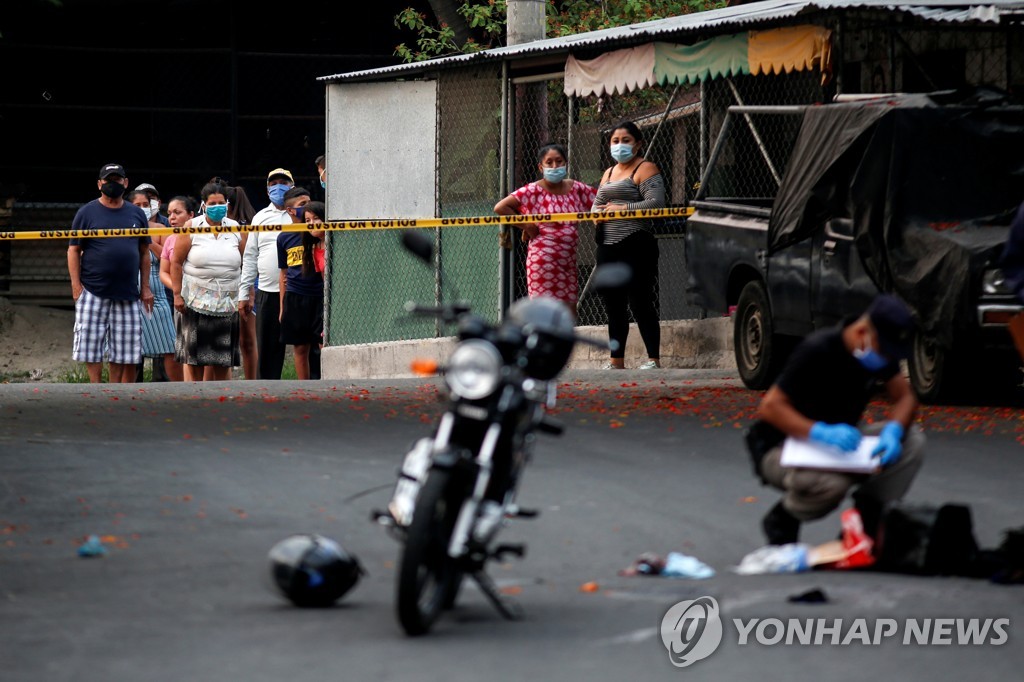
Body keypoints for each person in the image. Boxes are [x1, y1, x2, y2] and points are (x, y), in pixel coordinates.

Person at [749, 294, 926, 545]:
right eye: (885, 351)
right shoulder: (818, 349)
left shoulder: (877, 353)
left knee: (913, 442)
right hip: (785, 446)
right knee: (832, 484)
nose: (888, 359)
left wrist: (894, 431)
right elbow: (770, 407)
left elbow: (905, 397)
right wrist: (820, 432)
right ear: (862, 332)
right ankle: (784, 517)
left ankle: (867, 519)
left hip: (840, 444)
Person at [67, 163, 155, 383]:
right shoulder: (86, 212)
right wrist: (76, 286)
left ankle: (113, 391)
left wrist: (145, 287)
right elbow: (73, 249)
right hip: (93, 290)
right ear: (99, 184)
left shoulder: (136, 213)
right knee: (89, 343)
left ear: (125, 183)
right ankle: (96, 388)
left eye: (117, 180)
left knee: (124, 347)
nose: (112, 184)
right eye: (108, 180)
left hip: (127, 292)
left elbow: (144, 252)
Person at [592, 121, 665, 370]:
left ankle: (653, 359)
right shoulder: (609, 173)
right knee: (613, 304)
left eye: (626, 140)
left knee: (640, 301)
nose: (620, 145)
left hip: (636, 244)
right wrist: (597, 214)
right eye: (615, 141)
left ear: (638, 143)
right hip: (608, 245)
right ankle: (616, 361)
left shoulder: (645, 168)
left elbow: (656, 204)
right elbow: (597, 202)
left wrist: (622, 209)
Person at [494, 143, 598, 308]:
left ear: (566, 163)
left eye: (559, 161)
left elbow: (599, 201)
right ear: (541, 167)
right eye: (549, 162)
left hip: (568, 263)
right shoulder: (533, 190)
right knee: (544, 313)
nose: (555, 166)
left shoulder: (576, 188)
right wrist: (526, 225)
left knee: (569, 313)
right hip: (543, 261)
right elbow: (500, 207)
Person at [171, 182, 246, 381]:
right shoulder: (192, 227)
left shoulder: (236, 228)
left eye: (221, 202)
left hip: (227, 303)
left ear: (227, 203)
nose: (217, 206)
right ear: (204, 205)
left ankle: (222, 401)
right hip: (194, 303)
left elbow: (246, 263)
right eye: (212, 203)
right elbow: (176, 262)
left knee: (222, 359)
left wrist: (247, 295)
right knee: (195, 359)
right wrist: (177, 294)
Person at [240, 168, 293, 380]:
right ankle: (266, 393)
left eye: (283, 182)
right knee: (268, 348)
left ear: (292, 186)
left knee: (305, 346)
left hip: (298, 290)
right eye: (274, 183)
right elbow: (250, 256)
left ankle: (311, 387)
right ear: (267, 188)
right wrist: (245, 292)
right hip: (267, 291)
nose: (278, 186)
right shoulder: (260, 218)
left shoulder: (301, 215)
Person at [128, 190, 180, 382]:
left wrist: (145, 238)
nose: (142, 209)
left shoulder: (160, 228)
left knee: (168, 343)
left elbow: (166, 258)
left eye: (145, 204)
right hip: (130, 291)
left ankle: (175, 387)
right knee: (132, 347)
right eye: (137, 205)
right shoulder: (122, 229)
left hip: (157, 292)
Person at [277, 187, 324, 380]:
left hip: (319, 296)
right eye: (303, 206)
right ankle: (303, 387)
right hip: (296, 298)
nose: (307, 210)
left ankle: (327, 382)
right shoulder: (284, 236)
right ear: (290, 210)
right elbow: (283, 273)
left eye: (309, 203)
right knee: (300, 347)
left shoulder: (319, 235)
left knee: (323, 345)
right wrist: (282, 307)